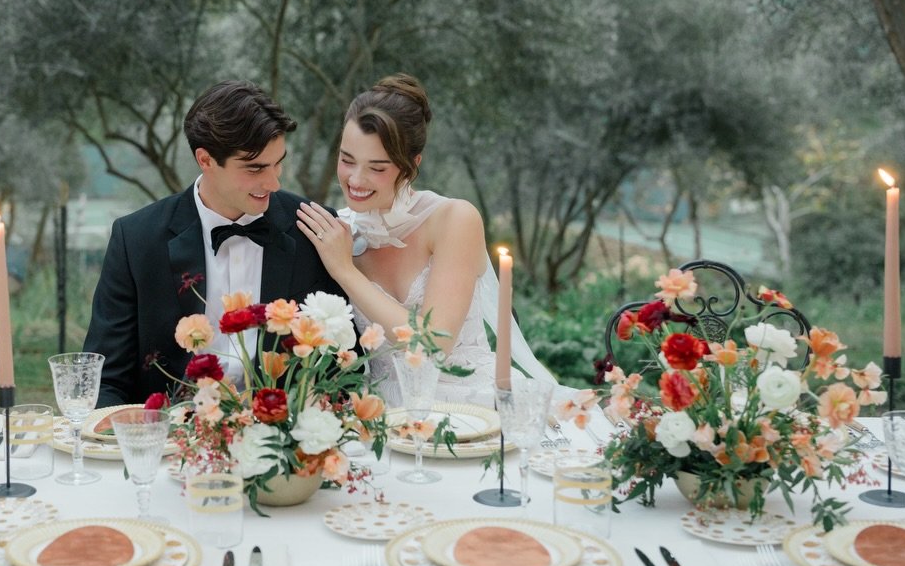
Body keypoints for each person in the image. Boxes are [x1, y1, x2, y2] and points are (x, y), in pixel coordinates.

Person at [296, 74, 557, 407]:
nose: (356, 179)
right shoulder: (338, 233)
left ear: (412, 165)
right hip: (378, 410)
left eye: (377, 168)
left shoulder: (453, 219)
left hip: (470, 401)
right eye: (347, 160)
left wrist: (345, 272)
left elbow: (432, 346)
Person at [85, 81, 346, 407]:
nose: (274, 182)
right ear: (205, 160)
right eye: (255, 168)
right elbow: (104, 378)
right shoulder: (136, 239)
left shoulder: (314, 229)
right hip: (169, 442)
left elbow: (341, 363)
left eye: (278, 162)